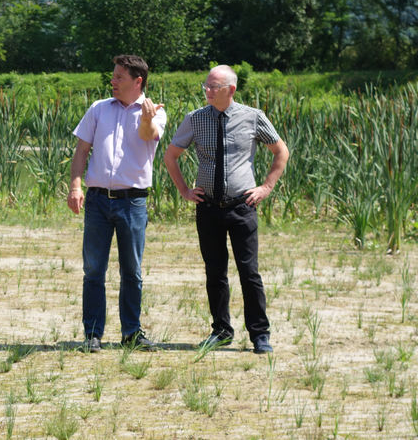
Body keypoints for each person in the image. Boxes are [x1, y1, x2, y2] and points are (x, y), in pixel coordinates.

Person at [163, 65, 289, 354]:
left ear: (230, 90)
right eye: (206, 86)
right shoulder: (195, 119)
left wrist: (266, 188)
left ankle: (260, 335)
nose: (207, 91)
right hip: (208, 208)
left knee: (249, 271)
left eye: (214, 87)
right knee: (215, 272)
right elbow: (171, 156)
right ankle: (221, 331)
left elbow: (281, 151)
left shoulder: (253, 117)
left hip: (242, 206)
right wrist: (184, 190)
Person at [67, 54, 166, 353]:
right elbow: (82, 150)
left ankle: (131, 334)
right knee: (93, 270)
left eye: (119, 77)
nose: (113, 81)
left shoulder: (155, 111)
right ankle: (92, 335)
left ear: (138, 81)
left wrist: (147, 118)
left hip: (132, 203)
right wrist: (75, 184)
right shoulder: (98, 109)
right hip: (97, 201)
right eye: (113, 76)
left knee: (132, 271)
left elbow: (149, 136)